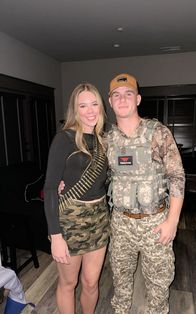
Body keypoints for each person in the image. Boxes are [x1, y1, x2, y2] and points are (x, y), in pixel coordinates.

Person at [106, 73, 185, 314]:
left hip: (155, 223)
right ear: (110, 102)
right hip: (120, 223)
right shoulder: (106, 139)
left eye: (128, 94)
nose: (122, 99)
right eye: (116, 95)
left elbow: (177, 177)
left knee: (159, 285)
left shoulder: (158, 133)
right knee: (120, 282)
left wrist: (172, 221)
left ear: (138, 99)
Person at [44, 83, 110, 314]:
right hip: (70, 221)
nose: (90, 110)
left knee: (92, 282)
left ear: (101, 108)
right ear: (75, 109)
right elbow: (51, 188)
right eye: (83, 105)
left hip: (100, 219)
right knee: (69, 283)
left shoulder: (103, 140)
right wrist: (56, 236)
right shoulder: (64, 139)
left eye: (94, 104)